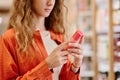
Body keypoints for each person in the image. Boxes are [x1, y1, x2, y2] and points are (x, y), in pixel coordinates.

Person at [0, 0, 84, 80]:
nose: (50, 3)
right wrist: (47, 66)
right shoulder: (9, 39)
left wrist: (75, 67)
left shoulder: (58, 37)